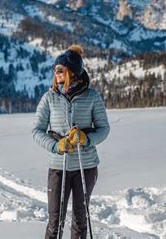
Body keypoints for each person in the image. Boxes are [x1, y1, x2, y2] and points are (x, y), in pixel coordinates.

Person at [32, 44, 110, 239]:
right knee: (55, 221)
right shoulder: (49, 98)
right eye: (55, 69)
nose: (56, 73)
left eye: (60, 69)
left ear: (73, 73)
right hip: (58, 167)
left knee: (80, 220)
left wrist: (86, 138)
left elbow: (104, 129)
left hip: (86, 166)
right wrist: (55, 145)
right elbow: (36, 131)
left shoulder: (92, 97)